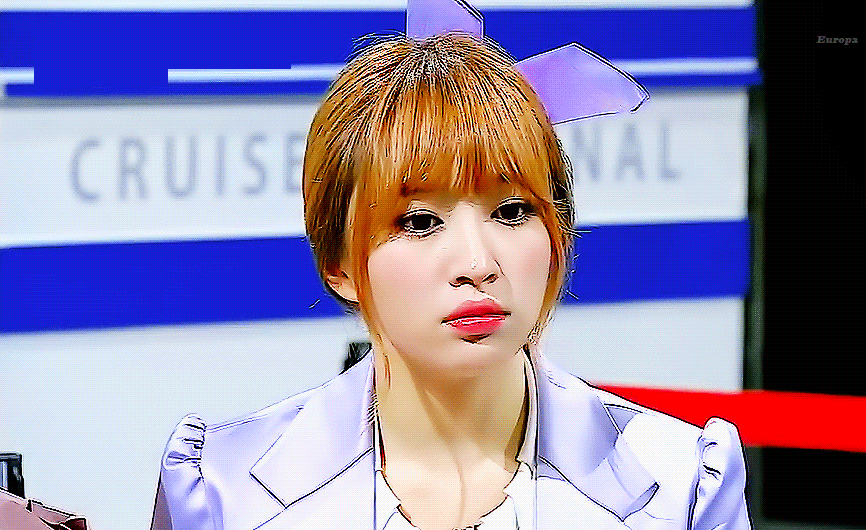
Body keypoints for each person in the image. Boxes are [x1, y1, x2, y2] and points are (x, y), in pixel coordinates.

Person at [152, 3, 752, 529]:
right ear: (338, 262)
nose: (477, 264)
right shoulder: (222, 494)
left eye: (512, 211)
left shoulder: (681, 489)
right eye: (419, 222)